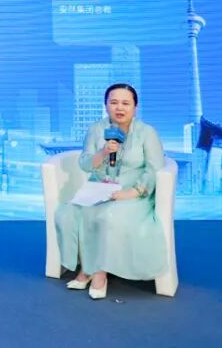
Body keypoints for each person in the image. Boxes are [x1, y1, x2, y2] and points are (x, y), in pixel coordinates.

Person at [54, 83, 167, 299]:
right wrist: (104, 151)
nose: (119, 108)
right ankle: (87, 268)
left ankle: (97, 274)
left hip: (134, 194)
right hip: (99, 189)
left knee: (106, 216)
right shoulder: (96, 130)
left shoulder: (147, 132)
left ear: (135, 107)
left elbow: (154, 169)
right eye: (114, 102)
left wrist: (132, 192)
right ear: (106, 105)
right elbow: (85, 164)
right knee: (67, 213)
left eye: (125, 103)